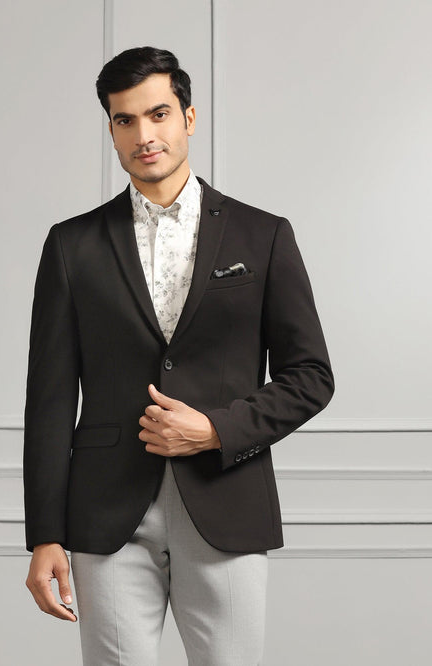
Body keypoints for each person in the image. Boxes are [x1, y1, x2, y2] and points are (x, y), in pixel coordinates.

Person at [23, 46, 334, 666]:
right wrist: (45, 535)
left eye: (158, 114)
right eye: (125, 120)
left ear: (189, 117)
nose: (144, 134)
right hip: (106, 514)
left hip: (226, 501)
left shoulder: (263, 235)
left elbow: (311, 376)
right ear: (112, 130)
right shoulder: (71, 245)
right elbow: (50, 401)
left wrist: (216, 429)